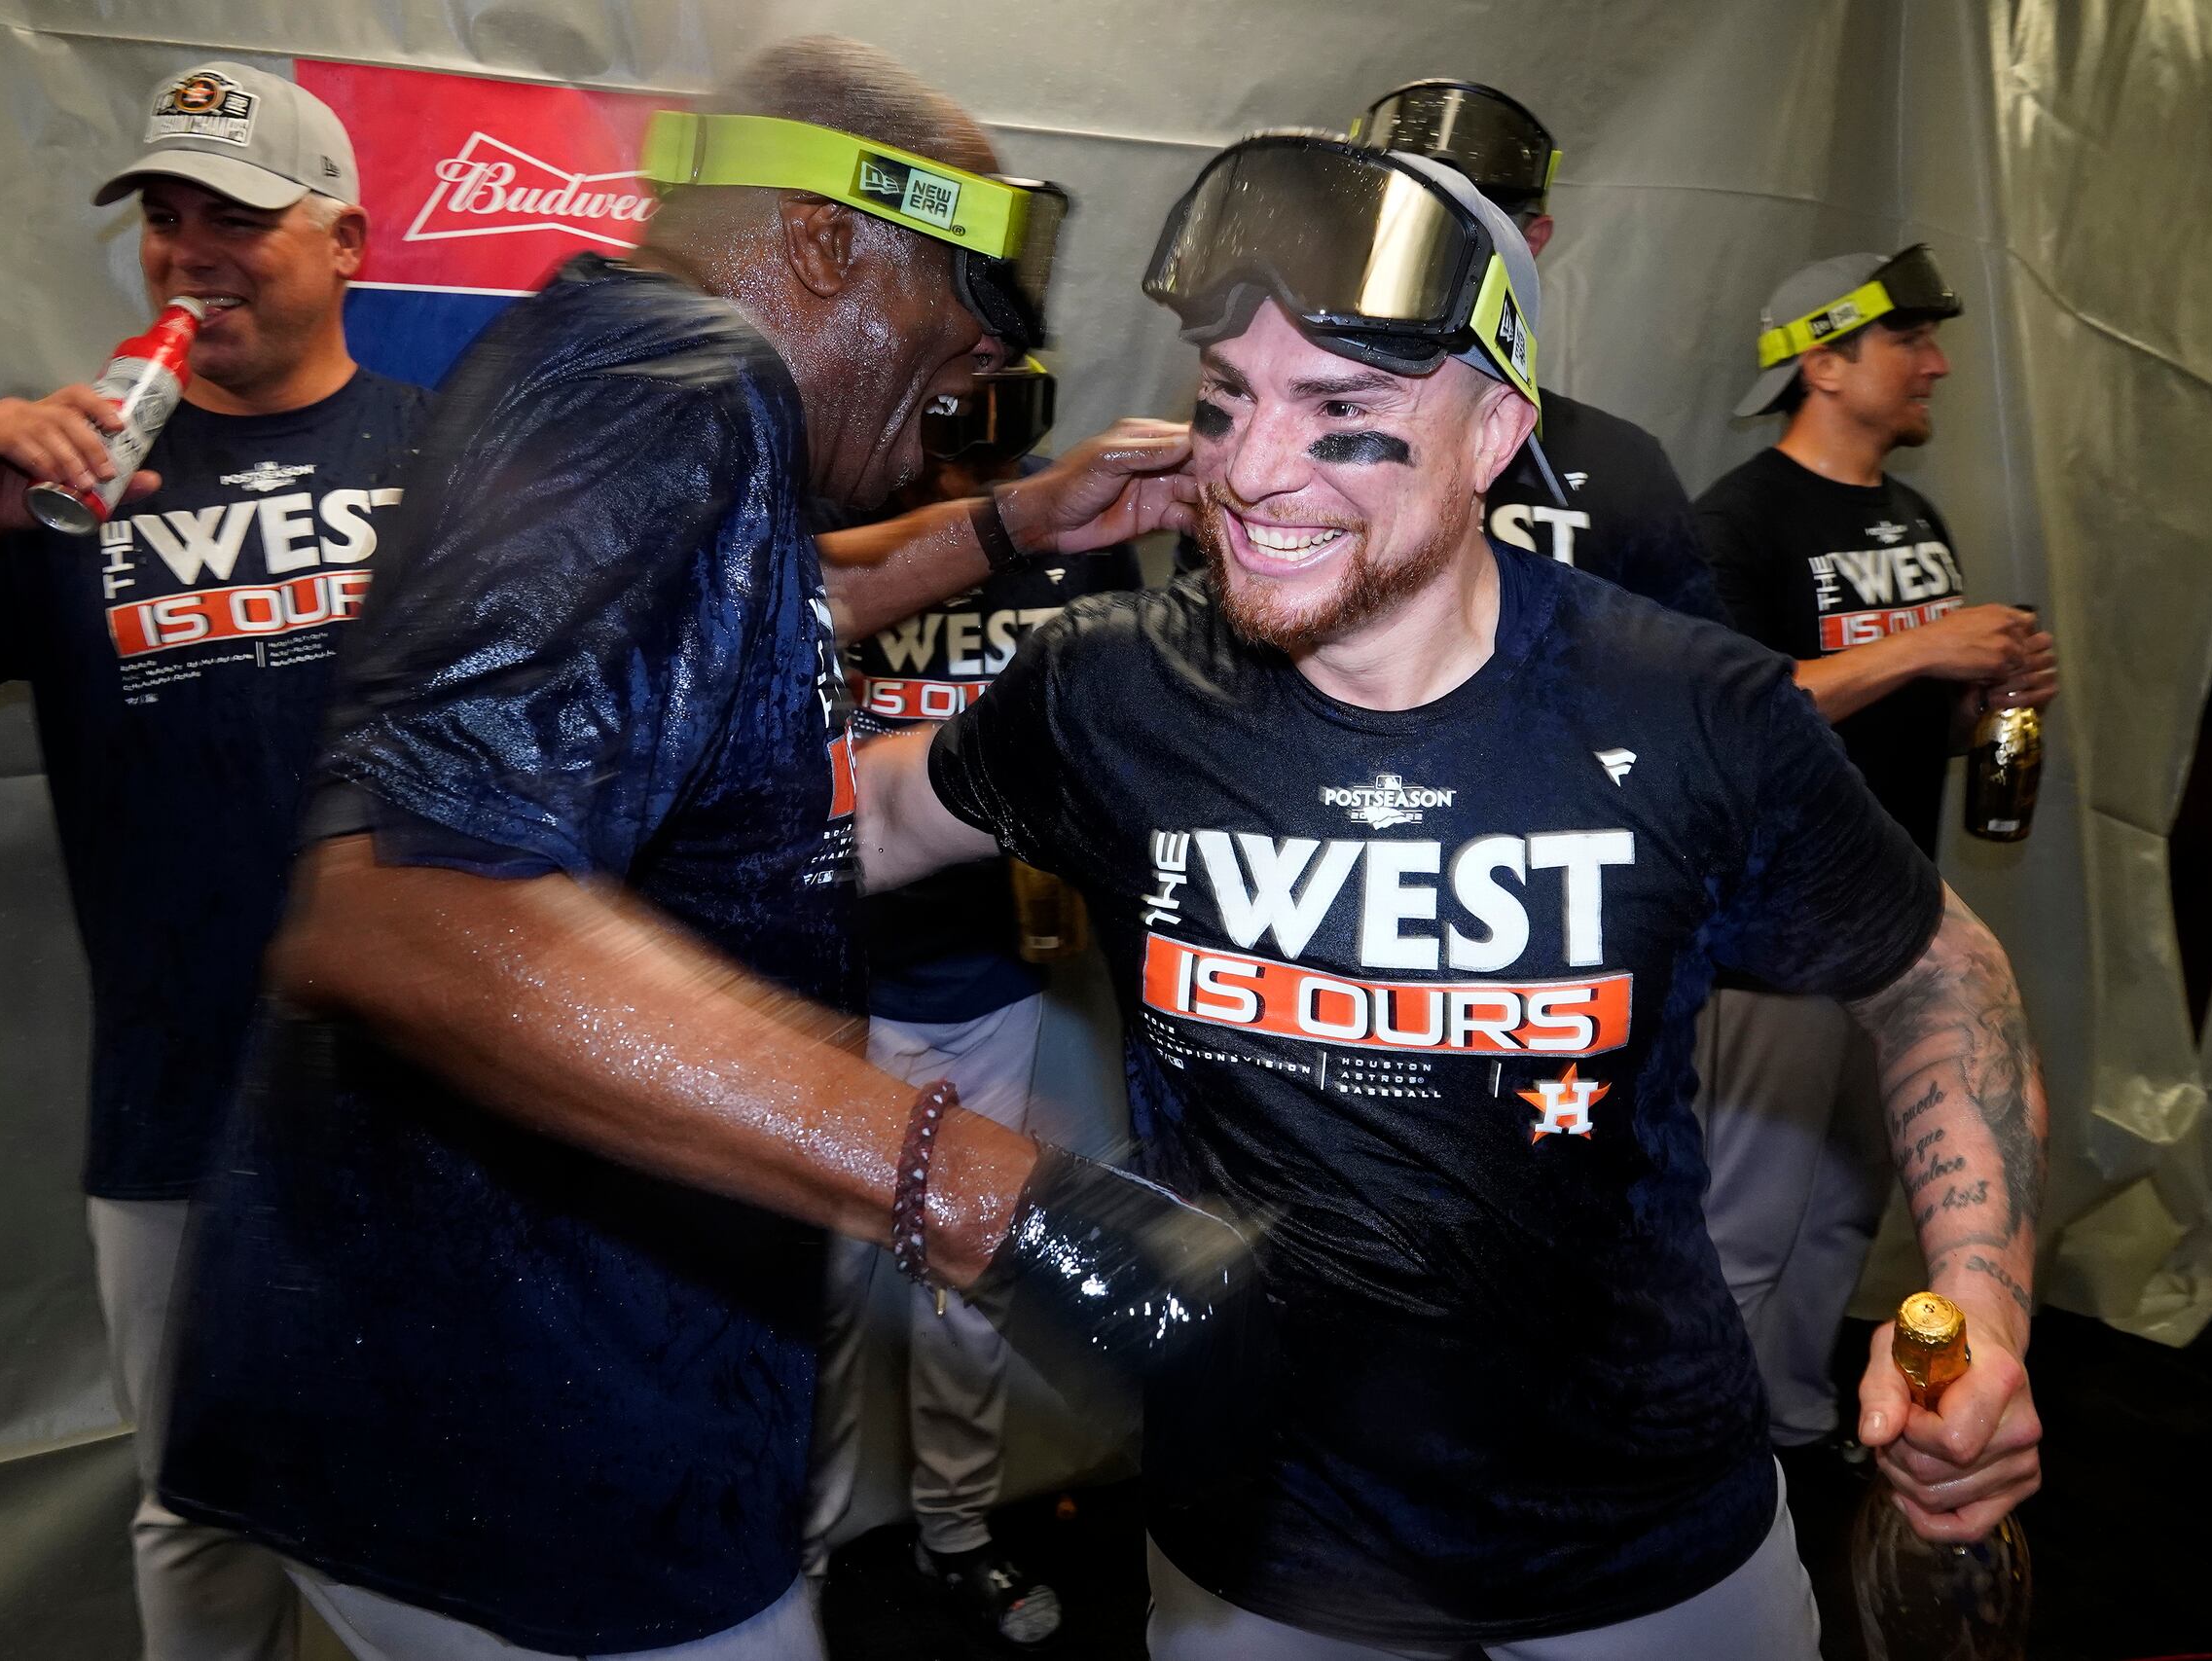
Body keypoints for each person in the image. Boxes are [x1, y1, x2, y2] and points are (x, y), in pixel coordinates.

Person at [852, 132, 2047, 1658]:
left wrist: (1987, 1311)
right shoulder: (1114, 689)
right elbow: (844, 819)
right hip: (1264, 1548)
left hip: (1646, 1537)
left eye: (1343, 412)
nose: (1252, 470)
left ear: (1494, 434)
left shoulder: (1691, 710)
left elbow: (1941, 972)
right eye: (1229, 399)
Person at [149, 38, 1215, 1661]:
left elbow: (725, 622)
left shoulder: (608, 360)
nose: (969, 380)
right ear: (825, 242)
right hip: (540, 1445)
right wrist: (999, 1197)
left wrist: (1014, 522)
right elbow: (410, 906)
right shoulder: (687, 380)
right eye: (960, 315)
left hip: (449, 1403)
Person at [0, 61, 425, 1660]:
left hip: (437, 1090)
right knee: (198, 1509)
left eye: (241, 218)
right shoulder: (59, 487)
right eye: (167, 217)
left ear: (345, 239)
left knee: (439, 1480)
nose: (194, 251)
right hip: (178, 1098)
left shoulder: (458, 455)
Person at [1689, 247, 2057, 1470]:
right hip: (1772, 926)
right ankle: (1711, 1463)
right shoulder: (1736, 521)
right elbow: (1734, 716)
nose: (1937, 363)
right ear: (1825, 358)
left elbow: (1908, 722)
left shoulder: (1912, 518)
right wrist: (1924, 646)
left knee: (1851, 1201)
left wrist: (1983, 697)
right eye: (1911, 341)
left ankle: (1798, 1427)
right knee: (1747, 1218)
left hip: (1898, 915)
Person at [806, 362, 1141, 1645]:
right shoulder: (852, 544)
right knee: (821, 1291)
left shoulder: (1077, 559)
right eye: (942, 448)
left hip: (992, 981)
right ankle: (808, 1548)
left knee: (967, 1281)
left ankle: (953, 1532)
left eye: (988, 453)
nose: (965, 473)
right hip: (834, 982)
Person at [1349, 79, 1722, 620]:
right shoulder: (1273, 437)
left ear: (1533, 240)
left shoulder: (1621, 466)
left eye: (1469, 225)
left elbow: (1706, 683)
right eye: (1408, 217)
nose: (1435, 253)